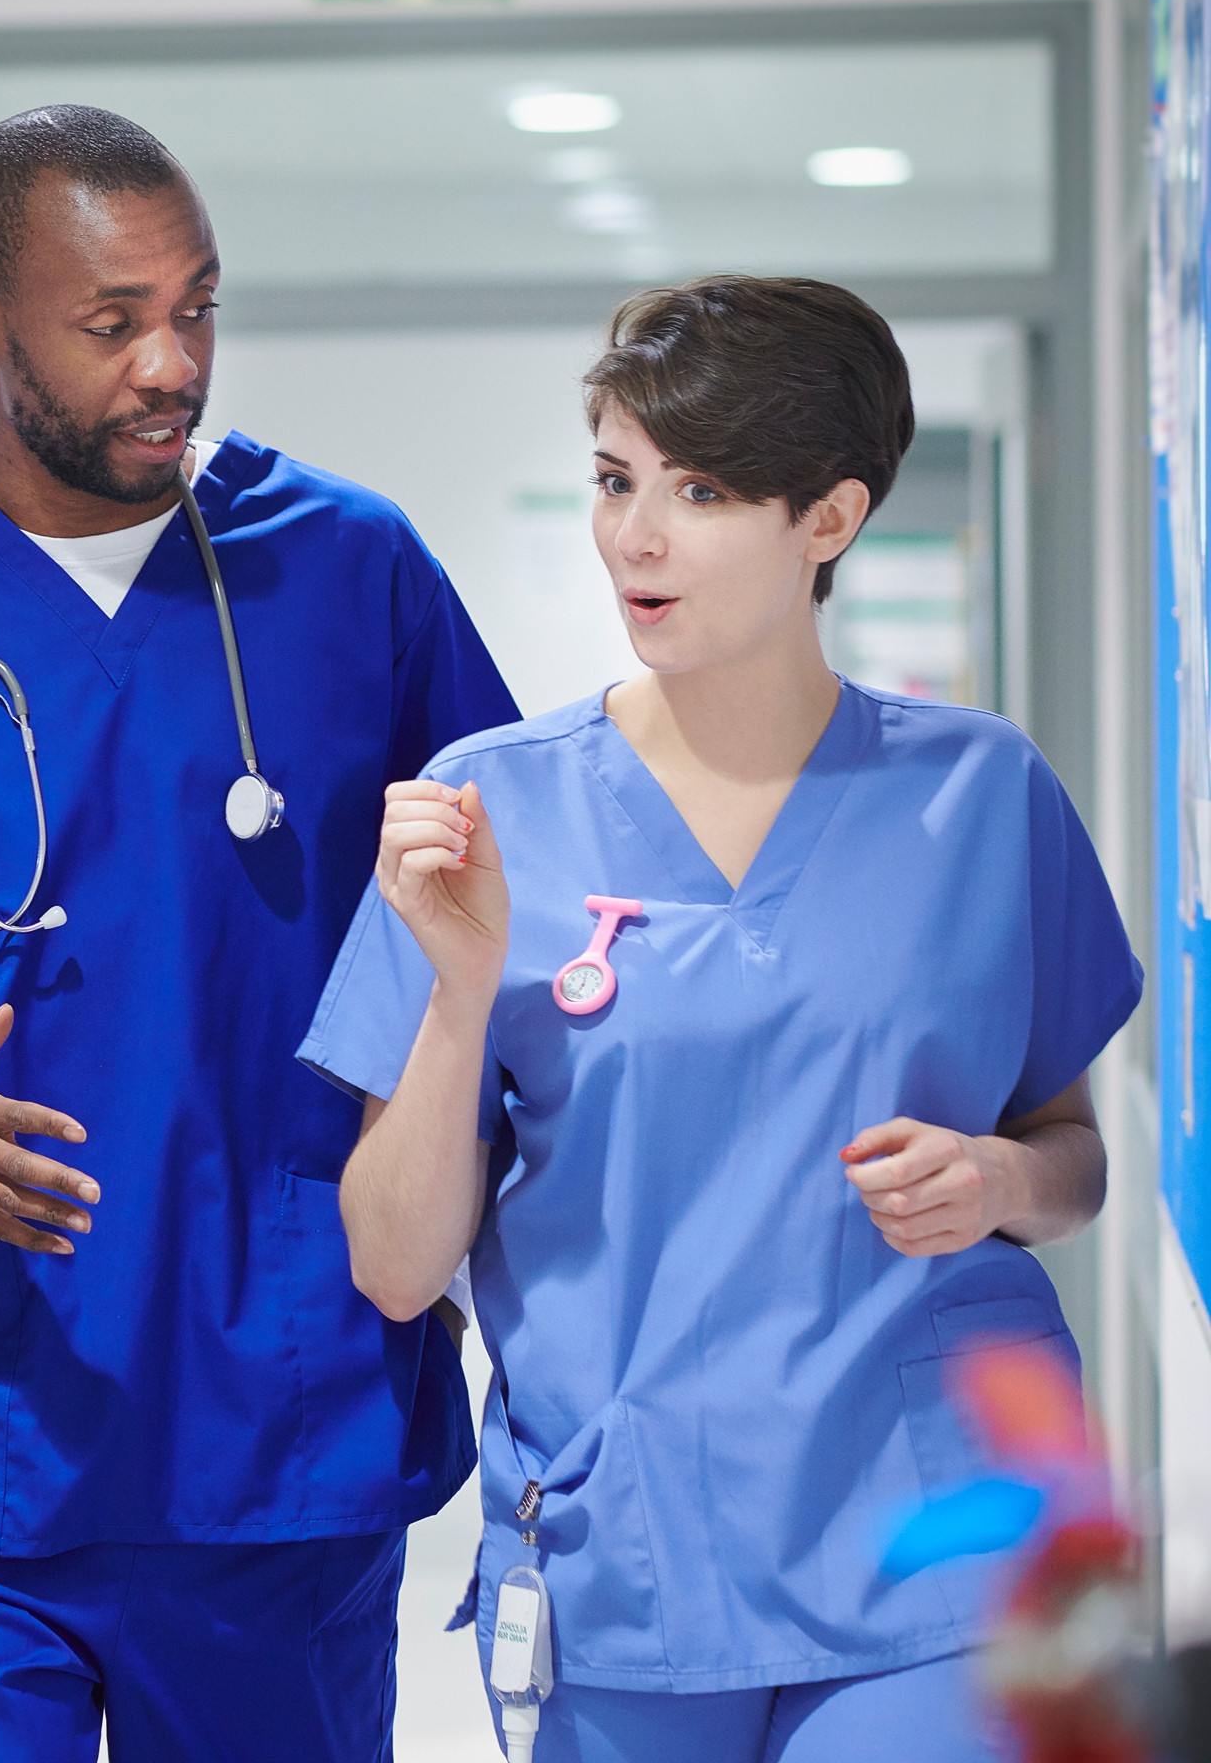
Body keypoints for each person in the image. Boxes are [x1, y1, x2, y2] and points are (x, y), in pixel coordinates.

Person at [0, 104, 521, 1761]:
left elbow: (501, 929)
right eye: (112, 323)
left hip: (267, 1406)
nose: (171, 361)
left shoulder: (350, 572)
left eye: (198, 308)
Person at [300, 276, 1136, 1763]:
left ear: (829, 518)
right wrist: (458, 989)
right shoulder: (488, 808)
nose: (637, 534)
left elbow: (1071, 1152)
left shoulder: (981, 797)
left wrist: (1002, 1182)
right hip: (626, 1552)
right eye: (617, 480)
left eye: (698, 491)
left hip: (930, 1538)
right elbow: (391, 1261)